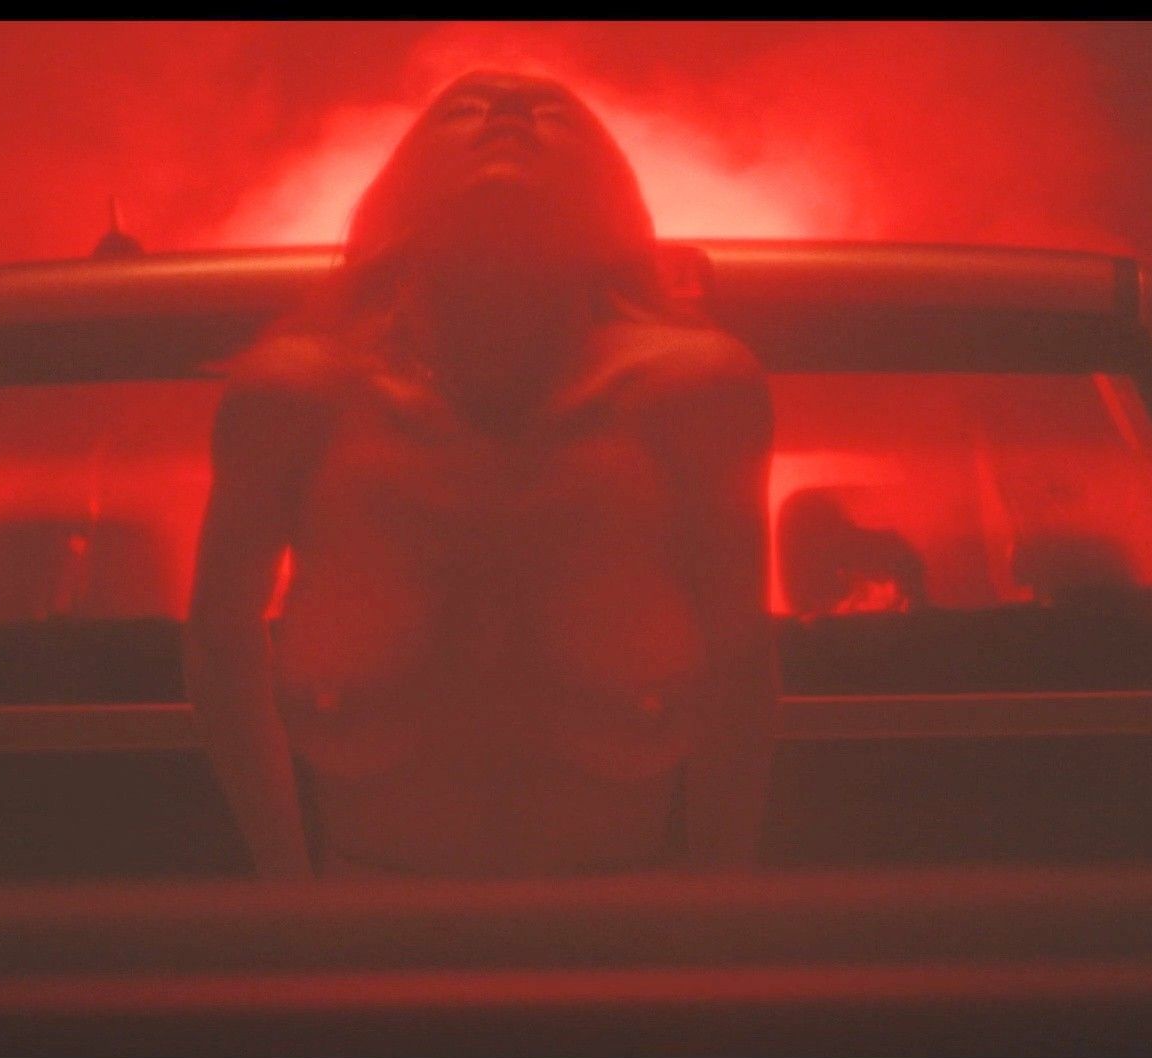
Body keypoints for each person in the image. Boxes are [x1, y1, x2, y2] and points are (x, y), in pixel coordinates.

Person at [184, 70, 777, 879]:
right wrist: (288, 887)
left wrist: (717, 906)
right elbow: (220, 643)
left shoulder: (693, 394)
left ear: (608, 194)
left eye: (552, 113)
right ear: (402, 188)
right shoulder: (296, 398)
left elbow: (741, 665)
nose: (509, 113)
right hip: (372, 927)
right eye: (463, 109)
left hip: (622, 925)